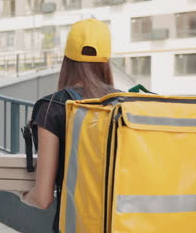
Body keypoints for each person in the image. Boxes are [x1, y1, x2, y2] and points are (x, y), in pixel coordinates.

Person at [17, 18, 120, 232]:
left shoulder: (53, 107)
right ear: (106, 60)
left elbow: (43, 198)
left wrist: (24, 196)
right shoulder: (124, 104)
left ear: (66, 59)